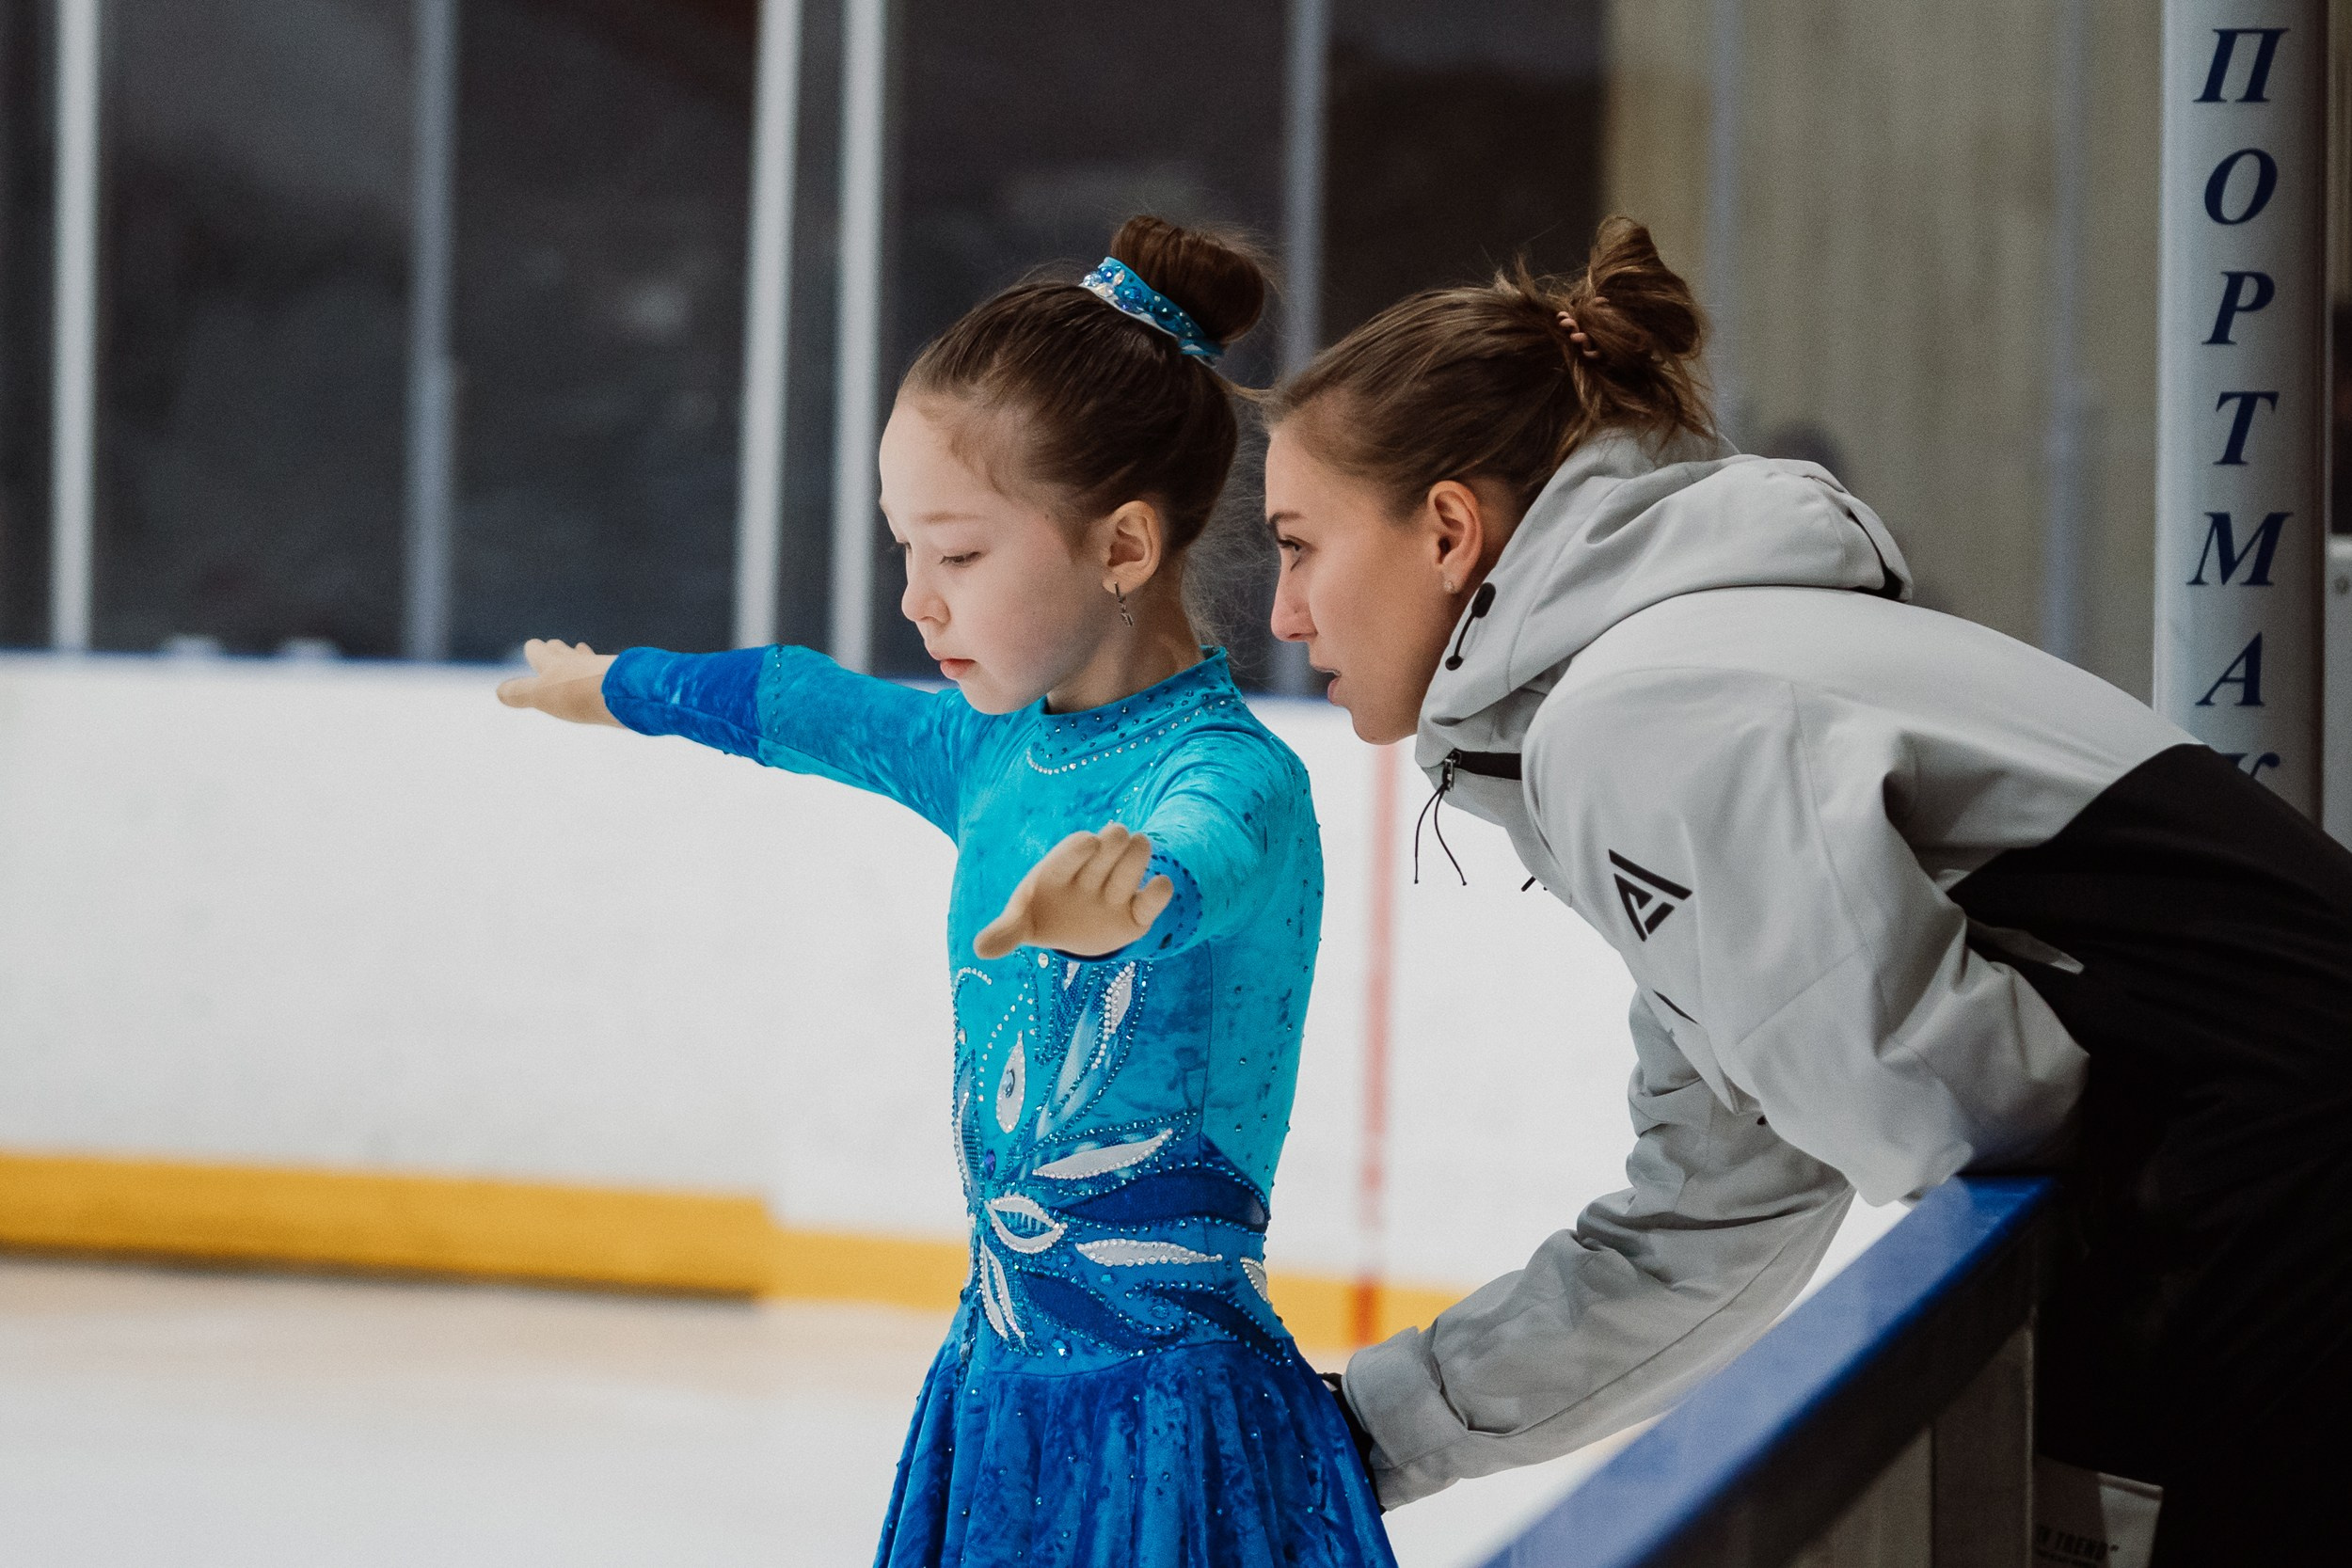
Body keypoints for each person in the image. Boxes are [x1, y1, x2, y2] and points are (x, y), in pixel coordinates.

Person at [1263, 216, 2351, 1563]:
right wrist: (1362, 1432)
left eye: (1299, 545)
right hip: (2254, 1180)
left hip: (2274, 1202)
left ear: (1445, 531)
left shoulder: (1643, 712)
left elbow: (1942, 1102)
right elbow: (1717, 1206)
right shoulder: (1692, 667)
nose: (1285, 613)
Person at [497, 217, 1393, 1568]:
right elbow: (808, 703)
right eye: (905, 549)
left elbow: (1201, 854)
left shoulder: (1231, 773)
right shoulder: (988, 752)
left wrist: (1130, 898)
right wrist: (619, 686)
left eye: (959, 556)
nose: (917, 599)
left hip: (1173, 1427)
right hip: (999, 1393)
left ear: (1125, 545)